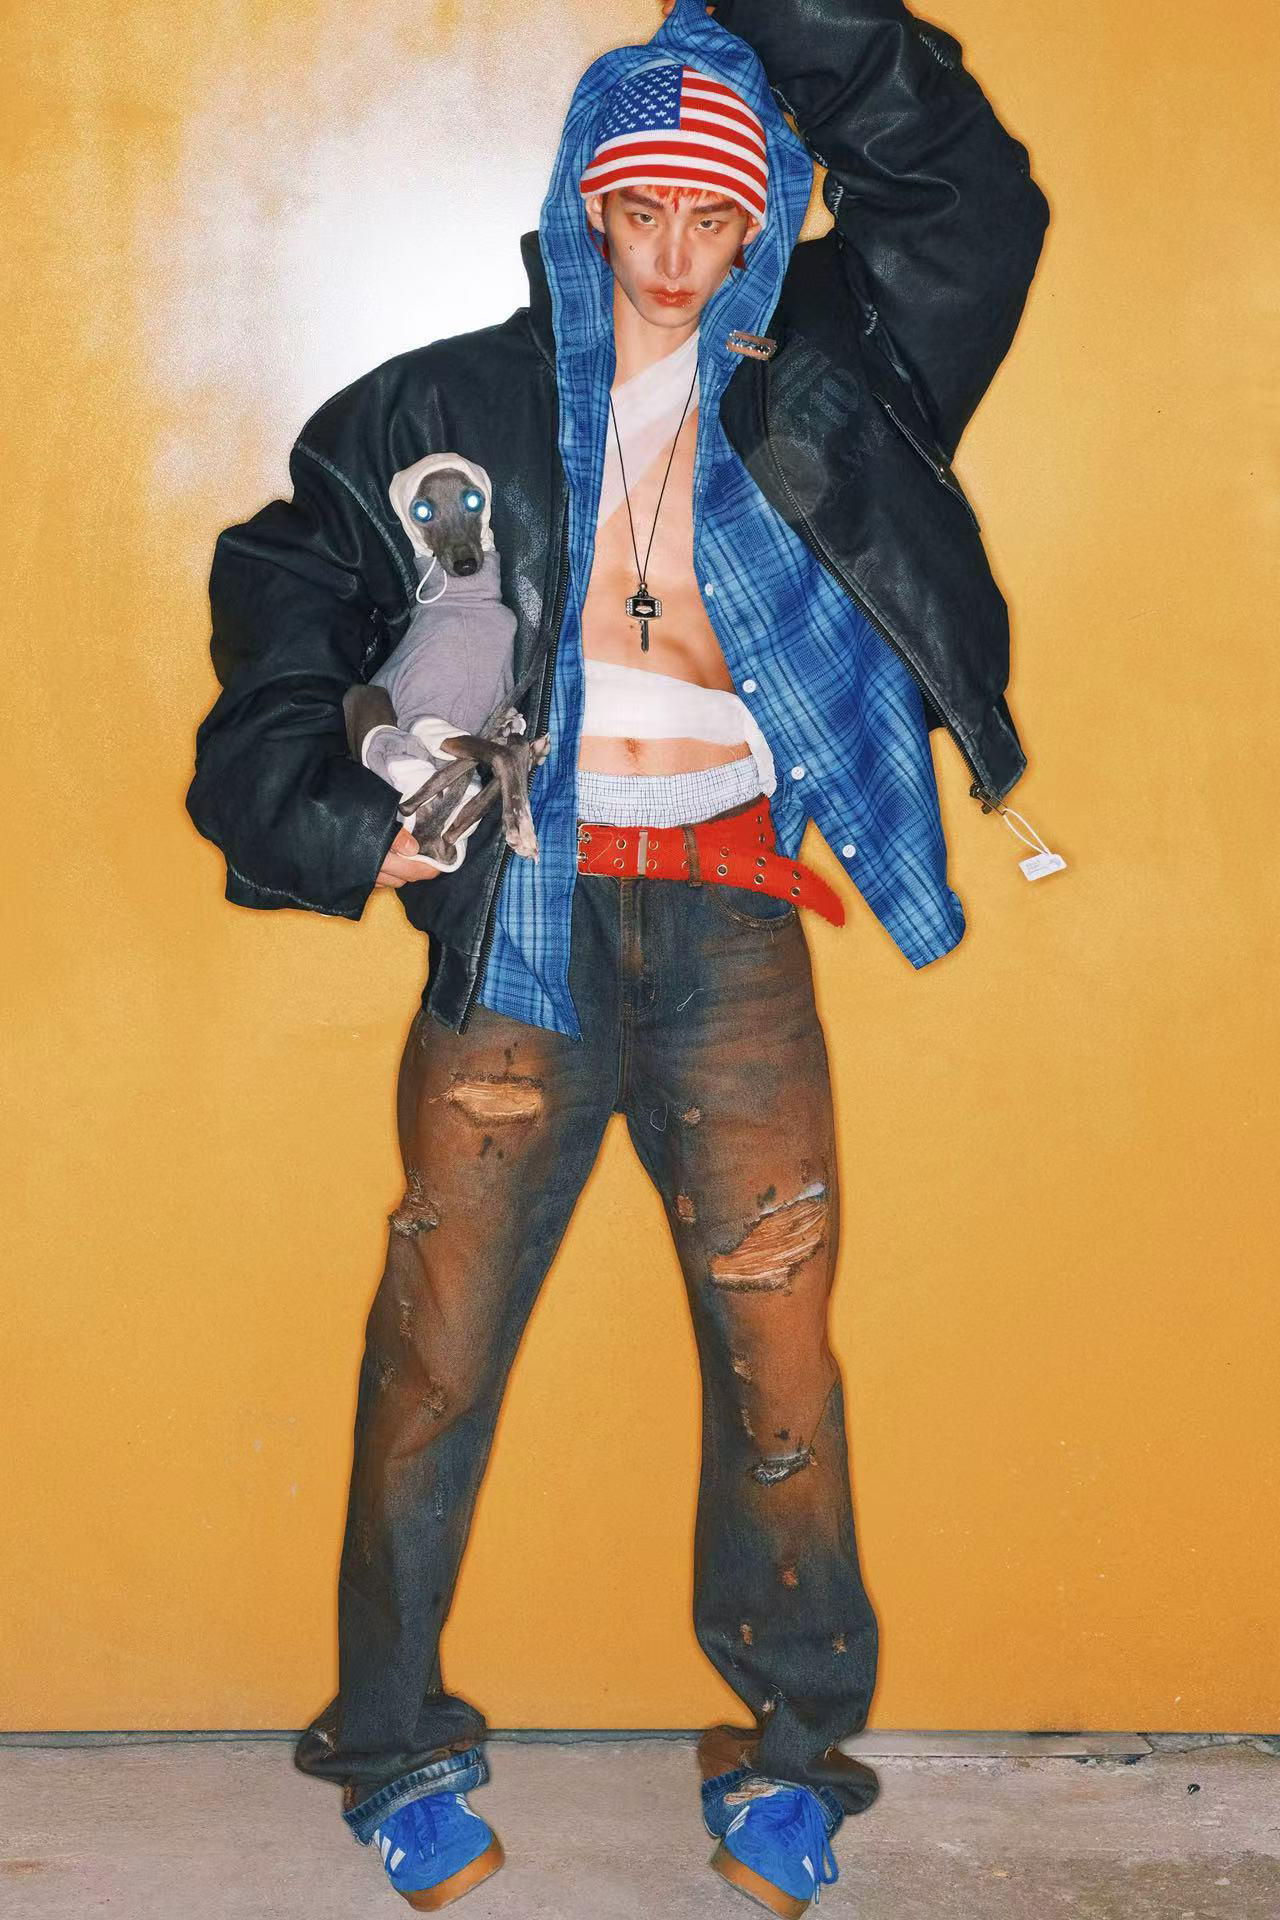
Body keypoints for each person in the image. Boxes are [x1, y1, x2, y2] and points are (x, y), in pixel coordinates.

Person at [186, 0, 1049, 1910]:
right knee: (435, 1348)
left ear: (766, 217)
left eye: (714, 214)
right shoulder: (433, 411)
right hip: (525, 912)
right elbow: (281, 603)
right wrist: (340, 819)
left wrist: (786, 19)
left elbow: (962, 191)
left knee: (782, 1362)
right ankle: (393, 1743)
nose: (673, 252)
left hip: (736, 914)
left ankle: (795, 1753)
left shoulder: (838, 381)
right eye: (641, 206)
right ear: (587, 203)